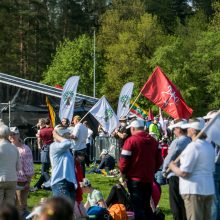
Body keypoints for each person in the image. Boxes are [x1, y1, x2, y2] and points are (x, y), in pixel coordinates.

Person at [169, 118, 215, 220]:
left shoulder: (193, 147)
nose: (187, 130)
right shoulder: (209, 146)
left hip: (194, 190)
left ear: (193, 130)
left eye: (188, 128)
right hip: (208, 188)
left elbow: (185, 173)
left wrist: (173, 167)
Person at [119, 119, 163, 219]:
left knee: (137, 208)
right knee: (146, 206)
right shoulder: (154, 141)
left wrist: (123, 174)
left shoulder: (130, 141)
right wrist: (152, 171)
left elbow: (123, 162)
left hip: (134, 179)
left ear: (132, 128)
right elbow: (160, 160)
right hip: (148, 178)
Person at [162, 120, 191, 220]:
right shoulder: (190, 140)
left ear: (179, 129)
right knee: (184, 204)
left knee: (175, 203)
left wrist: (164, 170)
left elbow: (169, 158)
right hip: (187, 175)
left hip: (175, 174)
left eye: (174, 128)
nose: (173, 130)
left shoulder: (177, 142)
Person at [8, 127, 34, 217]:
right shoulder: (6, 148)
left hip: (21, 181)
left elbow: (29, 166)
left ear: (18, 135)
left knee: (21, 205)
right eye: (10, 134)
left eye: (14, 134)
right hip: (9, 180)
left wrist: (28, 181)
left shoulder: (25, 149)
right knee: (11, 206)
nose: (11, 136)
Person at [49, 128, 77, 203]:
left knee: (69, 212)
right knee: (63, 212)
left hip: (70, 181)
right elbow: (67, 143)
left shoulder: (66, 149)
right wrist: (55, 135)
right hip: (60, 181)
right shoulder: (54, 146)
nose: (68, 136)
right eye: (65, 134)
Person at [203, 110, 220, 220]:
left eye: (208, 120)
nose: (206, 122)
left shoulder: (212, 133)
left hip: (214, 168)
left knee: (214, 199)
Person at [0, 123, 20, 205]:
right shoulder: (14, 148)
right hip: (12, 179)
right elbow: (18, 167)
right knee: (9, 205)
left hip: (0, 179)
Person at [32, 118, 53, 191]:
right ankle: (40, 185)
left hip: (46, 148)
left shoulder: (41, 131)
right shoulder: (52, 129)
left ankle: (48, 184)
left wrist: (40, 147)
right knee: (45, 169)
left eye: (39, 122)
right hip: (52, 148)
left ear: (42, 123)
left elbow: (39, 141)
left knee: (44, 170)